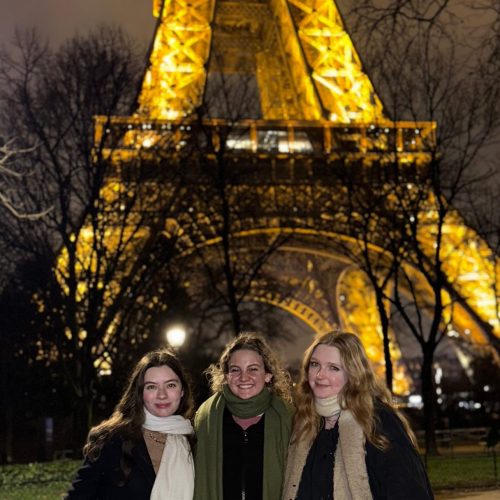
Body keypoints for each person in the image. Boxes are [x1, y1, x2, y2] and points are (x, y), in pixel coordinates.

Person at [283, 331, 433, 500]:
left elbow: (408, 490)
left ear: (353, 374)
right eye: (315, 364)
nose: (320, 375)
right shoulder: (305, 422)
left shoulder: (378, 421)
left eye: (333, 368)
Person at [66, 348, 195, 500]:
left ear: (182, 391)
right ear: (140, 393)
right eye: (151, 387)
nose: (162, 395)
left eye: (171, 385)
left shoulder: (193, 440)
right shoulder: (111, 440)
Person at [194, 332, 294, 500]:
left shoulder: (289, 419)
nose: (244, 377)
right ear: (226, 376)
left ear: (268, 375)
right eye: (235, 370)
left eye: (253, 369)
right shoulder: (205, 418)